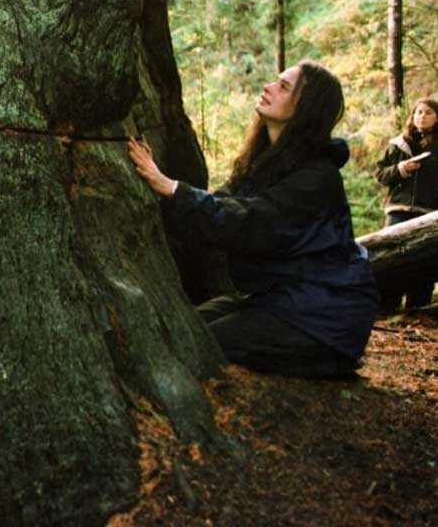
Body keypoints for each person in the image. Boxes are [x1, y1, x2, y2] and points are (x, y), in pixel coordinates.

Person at [129, 60, 378, 377]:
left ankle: (329, 360)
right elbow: (223, 203)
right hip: (280, 299)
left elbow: (250, 223)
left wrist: (171, 188)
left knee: (197, 342)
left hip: (323, 316)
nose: (268, 87)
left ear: (306, 109)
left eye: (283, 86)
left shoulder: (317, 177)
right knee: (185, 324)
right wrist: (168, 193)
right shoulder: (267, 162)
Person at [374, 97, 438, 310]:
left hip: (429, 213)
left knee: (424, 265)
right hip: (398, 209)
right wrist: (401, 169)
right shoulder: (398, 144)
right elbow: (380, 174)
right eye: (418, 112)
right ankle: (386, 309)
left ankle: (417, 309)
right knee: (390, 259)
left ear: (437, 117)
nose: (422, 116)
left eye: (428, 112)